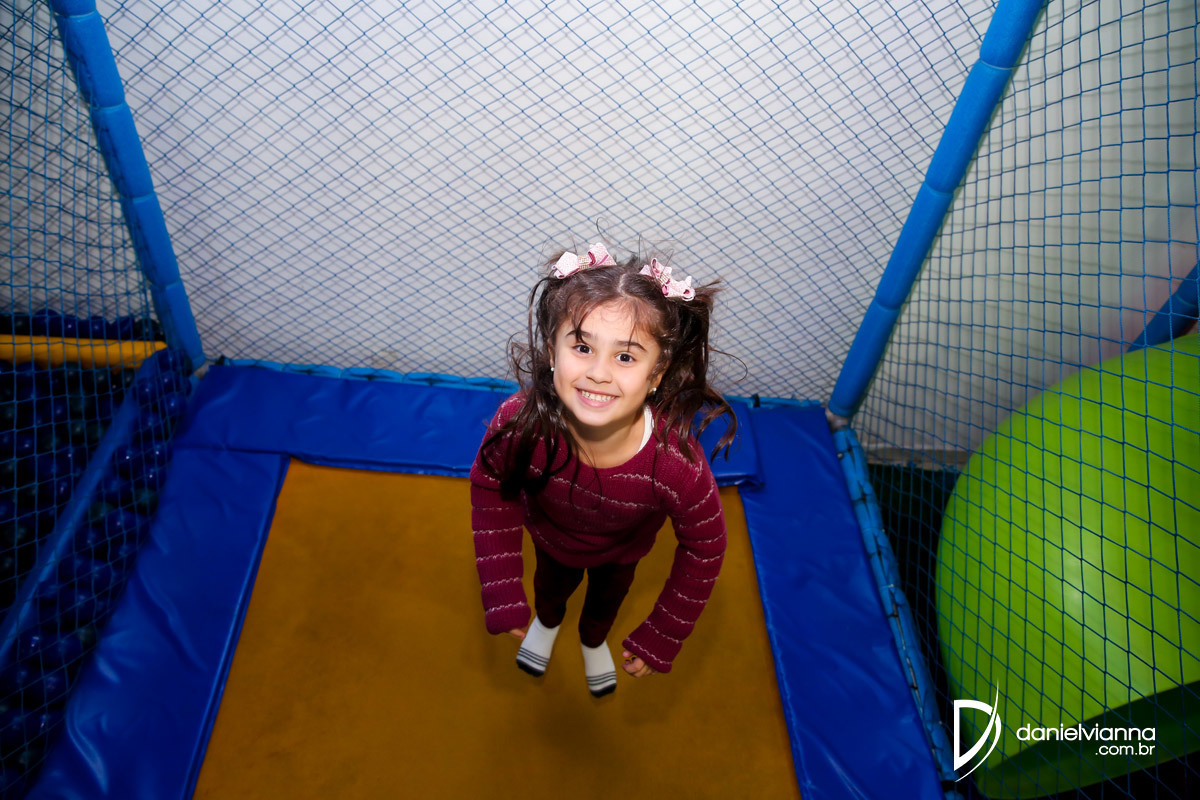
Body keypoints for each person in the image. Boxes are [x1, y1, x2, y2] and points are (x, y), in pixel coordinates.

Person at [470, 242, 737, 697]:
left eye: (625, 356)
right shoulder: (520, 423)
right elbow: (491, 485)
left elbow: (706, 546)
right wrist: (501, 586)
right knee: (550, 590)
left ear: (657, 374)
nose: (598, 372)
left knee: (604, 605)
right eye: (582, 346)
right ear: (552, 350)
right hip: (552, 542)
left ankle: (592, 641)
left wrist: (664, 632)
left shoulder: (676, 465)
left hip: (621, 555)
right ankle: (547, 624)